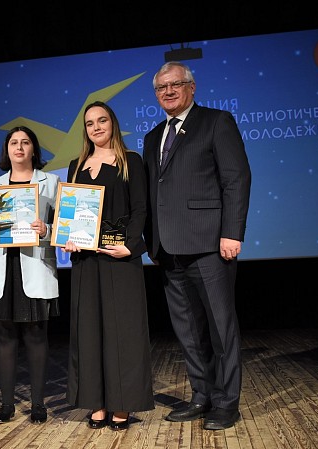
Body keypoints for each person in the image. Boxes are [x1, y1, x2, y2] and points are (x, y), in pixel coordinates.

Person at [142, 61, 252, 430]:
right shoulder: (153, 136)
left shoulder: (216, 122)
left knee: (221, 329)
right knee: (188, 332)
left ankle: (226, 403)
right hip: (168, 250)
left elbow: (236, 179)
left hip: (209, 246)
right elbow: (153, 194)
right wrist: (151, 243)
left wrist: (232, 233)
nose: (168, 92)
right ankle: (202, 395)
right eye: (162, 88)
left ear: (192, 87)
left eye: (176, 84)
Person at [62, 101, 155, 431]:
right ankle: (96, 403)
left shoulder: (131, 161)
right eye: (90, 123)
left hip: (120, 259)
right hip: (87, 262)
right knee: (90, 332)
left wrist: (129, 246)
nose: (96, 127)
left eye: (102, 120)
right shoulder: (76, 166)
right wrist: (68, 237)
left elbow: (141, 209)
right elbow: (70, 214)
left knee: (123, 333)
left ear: (112, 123)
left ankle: (123, 403)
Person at [0, 126, 60, 425]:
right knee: (5, 336)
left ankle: (38, 404)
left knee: (36, 335)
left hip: (35, 264)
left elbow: (61, 226)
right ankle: (7, 404)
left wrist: (46, 230)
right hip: (3, 266)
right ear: (7, 149)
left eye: (26, 142)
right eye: (14, 142)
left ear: (34, 149)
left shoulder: (50, 182)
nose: (19, 147)